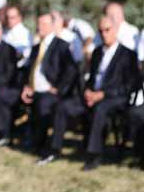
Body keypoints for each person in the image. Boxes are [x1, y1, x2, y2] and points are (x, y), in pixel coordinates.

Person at [38, 17, 140, 170]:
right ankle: (54, 149)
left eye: (107, 30)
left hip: (115, 98)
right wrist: (87, 91)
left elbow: (130, 85)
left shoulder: (128, 55)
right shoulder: (97, 52)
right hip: (92, 96)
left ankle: (93, 155)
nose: (104, 34)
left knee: (100, 109)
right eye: (101, 31)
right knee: (63, 106)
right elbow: (91, 77)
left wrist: (103, 94)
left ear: (115, 30)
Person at [20, 12, 78, 156]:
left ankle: (42, 144)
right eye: (38, 24)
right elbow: (29, 70)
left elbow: (71, 71)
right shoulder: (36, 47)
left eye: (44, 24)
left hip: (50, 92)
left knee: (43, 103)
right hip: (34, 89)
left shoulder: (62, 46)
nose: (39, 27)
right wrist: (26, 86)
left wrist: (58, 88)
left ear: (53, 26)